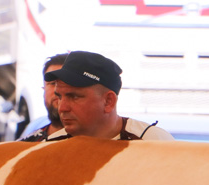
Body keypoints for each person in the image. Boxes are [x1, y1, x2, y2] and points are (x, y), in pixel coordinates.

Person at [45, 50, 173, 141]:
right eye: (60, 97)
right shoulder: (50, 147)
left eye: (74, 97)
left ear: (108, 101)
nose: (62, 108)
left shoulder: (154, 143)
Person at [20, 53, 68, 142]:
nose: (57, 90)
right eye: (52, 83)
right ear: (44, 89)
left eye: (65, 83)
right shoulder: (26, 144)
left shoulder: (96, 142)